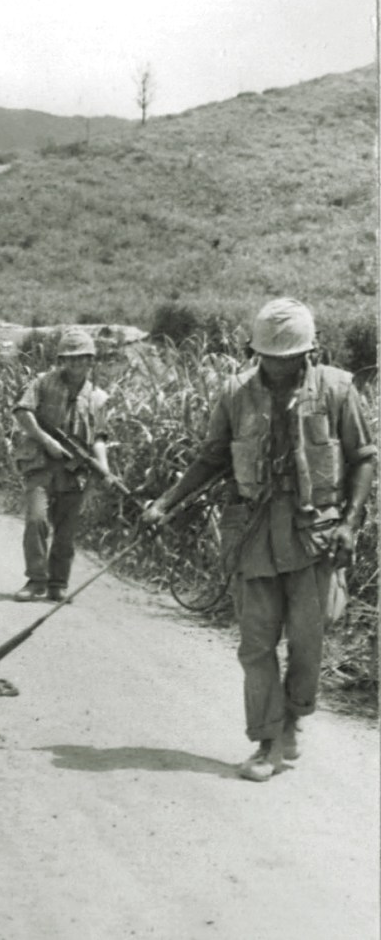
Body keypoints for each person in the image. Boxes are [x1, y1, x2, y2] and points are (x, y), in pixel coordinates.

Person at [141, 299, 375, 782]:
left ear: (310, 352)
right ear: (255, 353)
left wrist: (351, 524)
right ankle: (267, 741)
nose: (280, 366)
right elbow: (211, 459)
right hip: (253, 535)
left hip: (315, 535)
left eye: (290, 358)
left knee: (309, 641)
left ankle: (293, 717)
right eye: (270, 357)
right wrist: (166, 502)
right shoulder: (235, 394)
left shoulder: (336, 388)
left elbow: (363, 459)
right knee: (256, 645)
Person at [10, 327, 109, 602]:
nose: (77, 363)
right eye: (71, 358)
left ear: (91, 360)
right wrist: (45, 441)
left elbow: (100, 436)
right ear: (62, 360)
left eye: (83, 358)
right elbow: (22, 411)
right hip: (40, 464)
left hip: (74, 472)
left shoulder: (98, 397)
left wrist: (103, 467)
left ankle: (58, 584)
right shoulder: (43, 383)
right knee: (36, 521)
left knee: (66, 533)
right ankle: (36, 580)